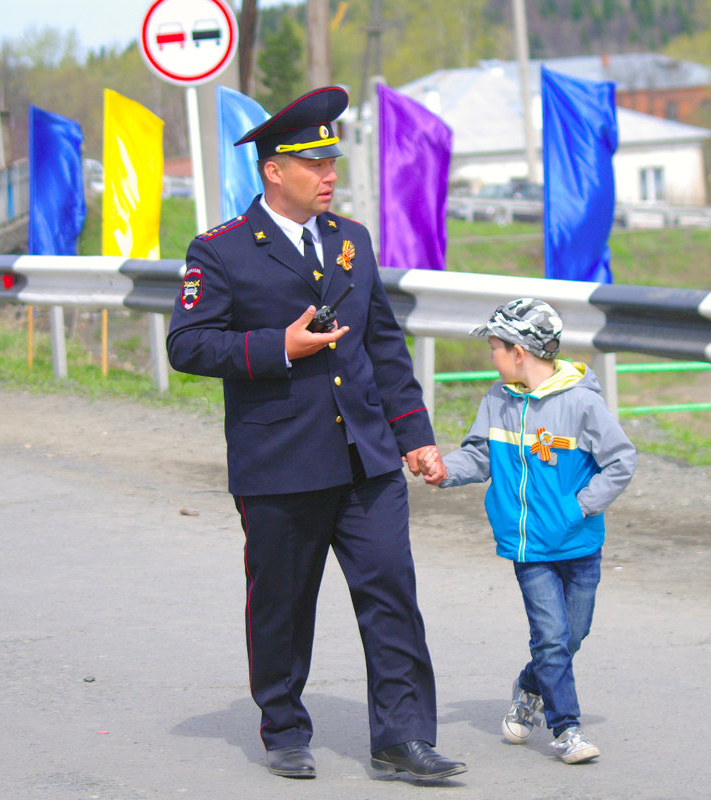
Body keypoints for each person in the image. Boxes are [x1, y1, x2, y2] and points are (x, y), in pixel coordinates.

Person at [166, 85, 464, 783]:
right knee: (282, 604)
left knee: (392, 592)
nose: (331, 175)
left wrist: (413, 433)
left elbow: (383, 346)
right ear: (275, 171)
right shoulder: (222, 251)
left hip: (368, 458)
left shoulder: (351, 240)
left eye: (333, 162)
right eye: (316, 164)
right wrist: (277, 348)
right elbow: (188, 345)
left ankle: (402, 738)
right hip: (280, 462)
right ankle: (284, 726)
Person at [420, 298, 636, 764]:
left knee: (573, 635)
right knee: (551, 636)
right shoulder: (497, 401)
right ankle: (566, 729)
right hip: (528, 547)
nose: (490, 355)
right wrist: (444, 470)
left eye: (495, 346)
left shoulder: (582, 403)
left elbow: (621, 462)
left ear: (520, 351)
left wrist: (578, 507)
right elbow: (479, 456)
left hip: (579, 543)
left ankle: (529, 685)